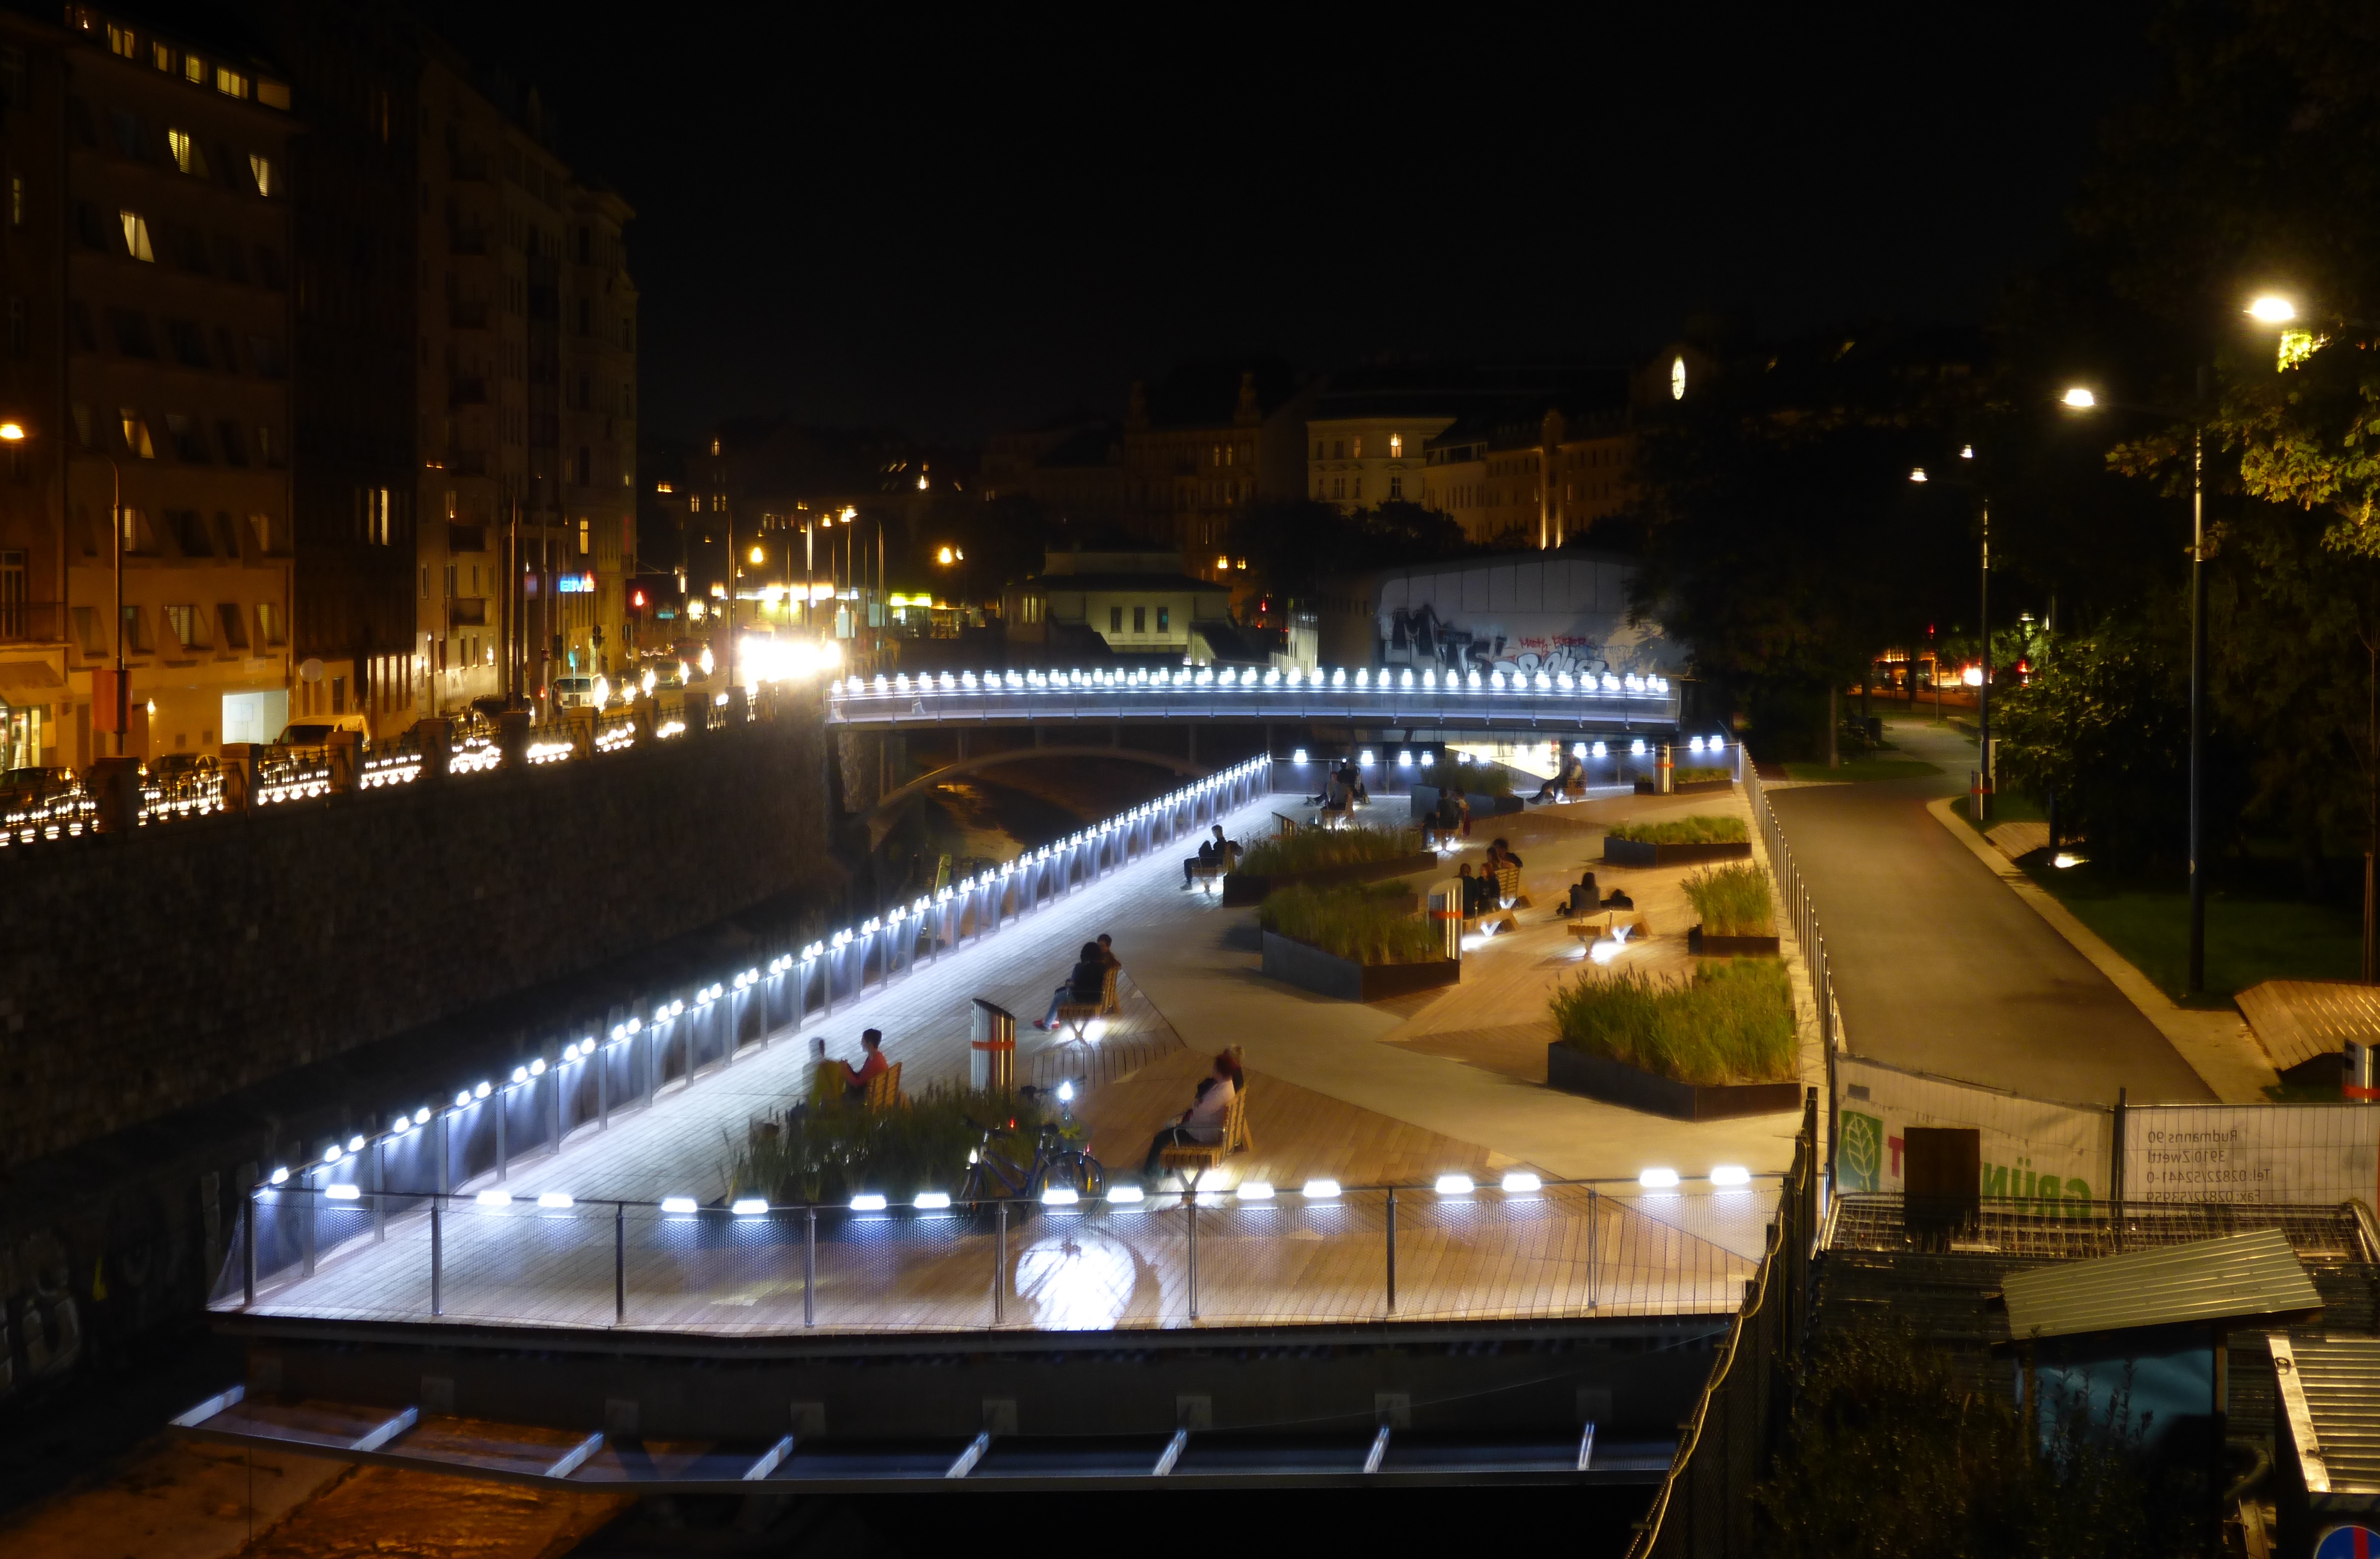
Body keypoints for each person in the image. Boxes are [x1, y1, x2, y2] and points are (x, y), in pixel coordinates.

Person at [1144, 1051, 1239, 1179]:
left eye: (1215, 1067)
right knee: (1172, 1130)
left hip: (1202, 1134)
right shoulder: (1228, 1087)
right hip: (1209, 1130)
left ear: (1219, 1071)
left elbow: (1199, 1112)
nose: (1213, 1069)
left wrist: (1196, 1102)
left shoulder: (1220, 1094)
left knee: (1161, 1138)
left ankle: (1151, 1176)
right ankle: (1166, 1170)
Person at [1037, 942, 1109, 1030]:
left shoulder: (1081, 967)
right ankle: (1054, 1020)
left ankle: (1047, 1025)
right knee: (1060, 992)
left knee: (1058, 997)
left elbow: (1075, 984)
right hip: (1097, 997)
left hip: (1081, 997)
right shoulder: (1103, 967)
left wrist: (1069, 983)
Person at [841, 1029, 889, 1100]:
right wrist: (847, 1068)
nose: (861, 1044)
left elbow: (857, 1084)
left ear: (870, 1044)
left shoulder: (874, 1063)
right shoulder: (877, 1057)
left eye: (863, 1041)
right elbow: (861, 1075)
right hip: (872, 1091)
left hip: (867, 1096)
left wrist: (845, 1071)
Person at [1183, 824, 1236, 888]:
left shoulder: (1218, 844)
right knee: (1206, 844)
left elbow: (1216, 857)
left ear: (1217, 833)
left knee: (1187, 862)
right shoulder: (1224, 843)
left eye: (1214, 833)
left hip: (1208, 863)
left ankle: (1189, 883)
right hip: (1212, 861)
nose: (1213, 835)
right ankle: (1195, 884)